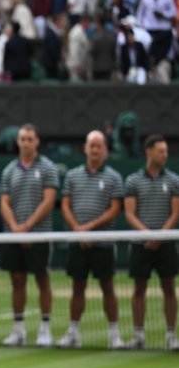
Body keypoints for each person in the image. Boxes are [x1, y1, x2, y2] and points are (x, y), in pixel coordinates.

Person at [58, 130, 125, 349]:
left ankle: (115, 335)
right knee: (78, 287)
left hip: (102, 243)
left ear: (105, 150)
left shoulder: (114, 177)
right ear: (85, 148)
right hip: (78, 242)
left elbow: (114, 209)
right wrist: (78, 229)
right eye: (91, 145)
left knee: (107, 286)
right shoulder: (72, 176)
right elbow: (66, 204)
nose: (95, 149)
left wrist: (89, 229)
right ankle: (73, 332)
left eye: (99, 146)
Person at [0, 124, 59, 347]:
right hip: (14, 235)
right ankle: (18, 330)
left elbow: (49, 201)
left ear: (37, 142)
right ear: (18, 142)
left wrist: (28, 227)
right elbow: (4, 201)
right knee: (17, 281)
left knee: (42, 279)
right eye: (22, 139)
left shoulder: (48, 168)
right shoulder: (9, 170)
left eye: (29, 139)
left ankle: (45, 329)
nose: (25, 142)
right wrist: (16, 227)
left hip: (40, 235)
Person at [123, 135, 179, 350]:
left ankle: (172, 335)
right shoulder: (133, 181)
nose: (164, 155)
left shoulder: (174, 180)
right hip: (140, 244)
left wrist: (160, 236)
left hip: (166, 244)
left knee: (169, 289)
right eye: (160, 151)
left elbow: (175, 213)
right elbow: (129, 213)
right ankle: (138, 335)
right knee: (139, 288)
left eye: (166, 151)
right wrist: (147, 234)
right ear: (149, 152)